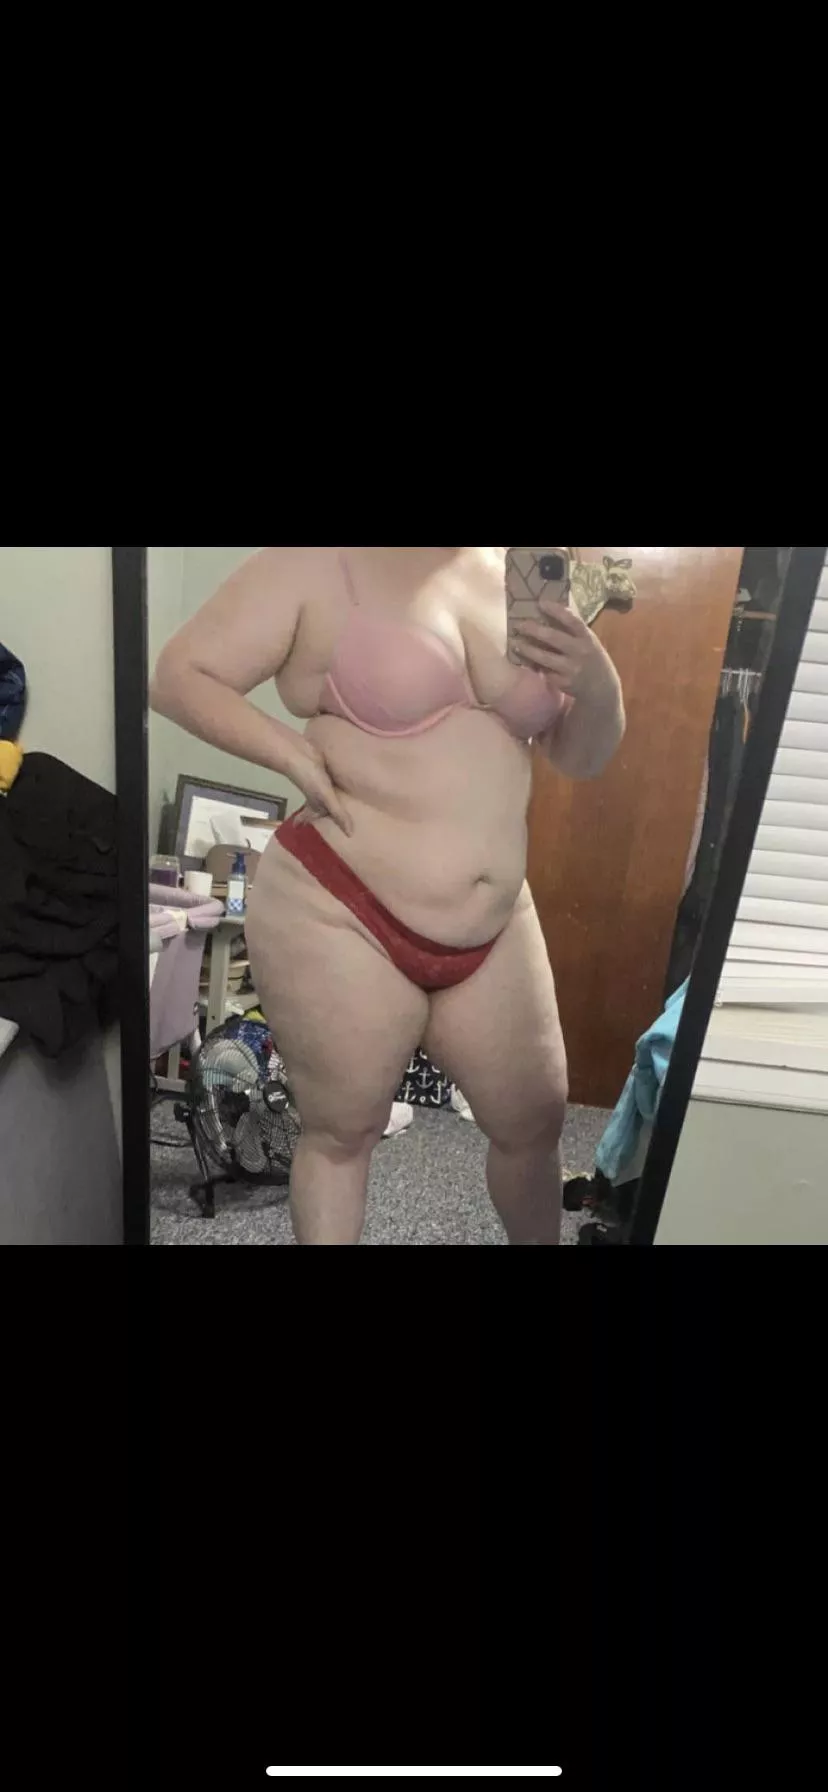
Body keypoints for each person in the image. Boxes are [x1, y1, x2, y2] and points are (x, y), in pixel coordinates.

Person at [150, 547, 625, 1245]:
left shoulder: (518, 569)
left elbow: (579, 756)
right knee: (344, 1134)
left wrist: (599, 685)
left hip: (494, 922)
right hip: (340, 907)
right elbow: (179, 675)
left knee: (535, 1121)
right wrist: (290, 753)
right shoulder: (317, 563)